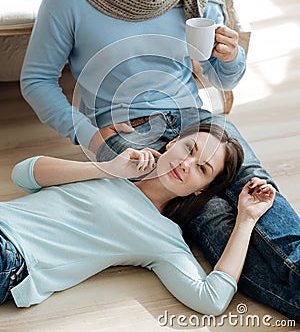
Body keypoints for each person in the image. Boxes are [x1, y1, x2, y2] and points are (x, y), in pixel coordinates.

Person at [20, 0, 300, 321]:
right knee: (213, 220)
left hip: (197, 122)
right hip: (128, 134)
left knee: (262, 195)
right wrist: (87, 132)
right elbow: (35, 80)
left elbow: (223, 76)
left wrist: (231, 56)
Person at [1, 123, 275, 315]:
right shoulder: (111, 170)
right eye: (189, 149)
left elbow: (212, 299)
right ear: (172, 143)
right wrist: (108, 169)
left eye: (201, 168)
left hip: (13, 256)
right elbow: (22, 174)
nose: (186, 164)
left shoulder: (162, 235)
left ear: (201, 189)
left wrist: (246, 219)